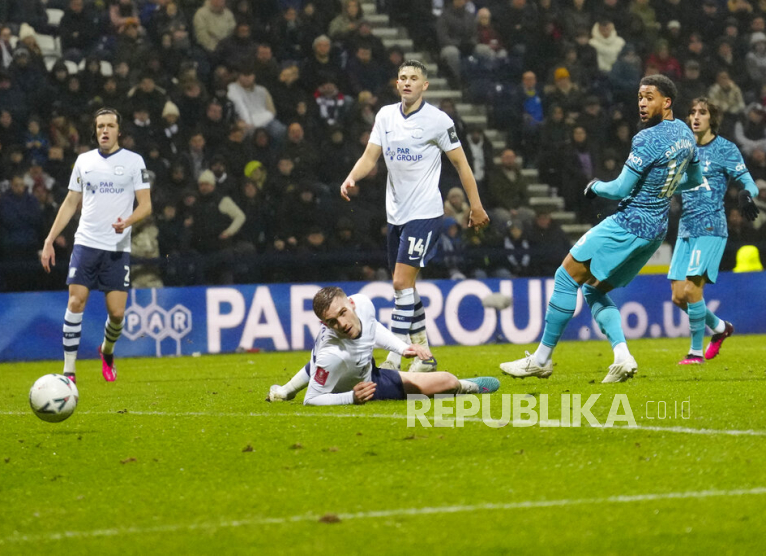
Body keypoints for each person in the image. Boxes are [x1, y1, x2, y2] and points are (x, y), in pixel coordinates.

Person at [501, 75, 702, 383]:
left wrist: (595, 186)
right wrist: (665, 187)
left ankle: (541, 359)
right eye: (639, 97)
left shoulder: (647, 139)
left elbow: (620, 188)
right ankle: (622, 357)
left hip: (629, 223)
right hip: (655, 230)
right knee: (594, 289)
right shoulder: (686, 135)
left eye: (649, 97)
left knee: (565, 276)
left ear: (667, 101)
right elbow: (692, 179)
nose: (642, 104)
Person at [340, 60, 489, 373]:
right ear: (397, 84)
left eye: (414, 79)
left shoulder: (438, 121)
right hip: (395, 215)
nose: (407, 83)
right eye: (402, 78)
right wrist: (352, 177)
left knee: (400, 281)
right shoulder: (385, 116)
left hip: (425, 212)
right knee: (405, 288)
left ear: (425, 86)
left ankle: (396, 356)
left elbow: (462, 165)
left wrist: (476, 205)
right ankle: (425, 354)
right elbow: (371, 156)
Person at [40, 108, 152, 384]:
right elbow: (70, 203)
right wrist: (50, 239)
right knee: (76, 301)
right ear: (96, 130)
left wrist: (127, 222)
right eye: (100, 126)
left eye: (110, 126)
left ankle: (107, 350)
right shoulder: (83, 161)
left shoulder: (134, 161)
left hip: (117, 248)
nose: (104, 130)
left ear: (118, 131)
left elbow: (146, 205)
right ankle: (69, 371)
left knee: (116, 314)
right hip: (86, 243)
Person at [267, 287, 499, 405]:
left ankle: (284, 390)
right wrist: (351, 397)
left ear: (351, 303)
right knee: (447, 381)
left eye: (343, 313)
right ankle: (467, 387)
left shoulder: (364, 304)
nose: (342, 323)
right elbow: (312, 399)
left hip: (365, 368)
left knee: (335, 361)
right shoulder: (332, 354)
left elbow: (372, 327)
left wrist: (402, 348)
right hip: (363, 386)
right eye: (332, 322)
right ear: (324, 324)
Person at [669, 98, 760, 364]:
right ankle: (720, 328)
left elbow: (748, 183)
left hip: (711, 226)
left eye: (703, 112)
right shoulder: (683, 150)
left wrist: (746, 194)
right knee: (677, 296)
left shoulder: (725, 149)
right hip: (686, 227)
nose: (696, 117)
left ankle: (695, 353)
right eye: (692, 112)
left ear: (712, 119)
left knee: (692, 290)